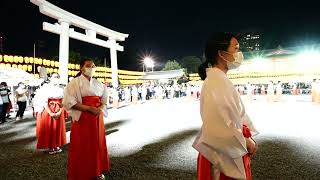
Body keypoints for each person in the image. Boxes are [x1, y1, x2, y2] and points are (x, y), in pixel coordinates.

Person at [193, 33, 259, 180]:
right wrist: (245, 140)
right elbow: (219, 123)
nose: (238, 53)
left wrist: (246, 136)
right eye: (235, 48)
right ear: (221, 54)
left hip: (228, 146)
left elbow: (236, 115)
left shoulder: (219, 79)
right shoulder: (216, 82)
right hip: (222, 153)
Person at [63, 59, 109, 180]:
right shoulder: (74, 82)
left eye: (93, 66)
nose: (91, 68)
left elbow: (104, 101)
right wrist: (89, 108)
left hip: (97, 117)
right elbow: (69, 101)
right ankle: (82, 171)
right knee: (82, 145)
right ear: (81, 68)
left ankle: (97, 169)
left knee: (97, 143)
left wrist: (100, 108)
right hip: (82, 117)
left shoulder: (99, 84)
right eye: (88, 66)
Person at [33, 73, 67, 154]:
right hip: (48, 110)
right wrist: (50, 113)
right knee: (49, 128)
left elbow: (64, 101)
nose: (56, 79)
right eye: (55, 77)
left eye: (58, 77)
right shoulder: (45, 88)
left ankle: (57, 144)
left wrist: (60, 111)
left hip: (58, 109)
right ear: (50, 78)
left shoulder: (61, 89)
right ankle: (50, 146)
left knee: (57, 128)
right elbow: (43, 102)